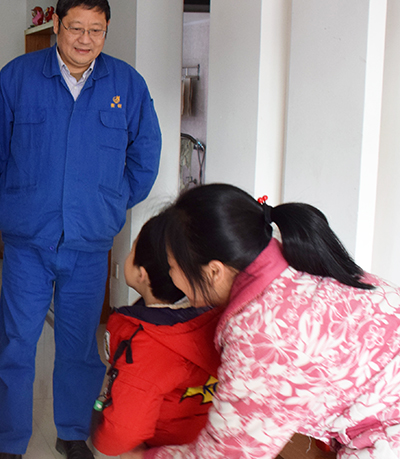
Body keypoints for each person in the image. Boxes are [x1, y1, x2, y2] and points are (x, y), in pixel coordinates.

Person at [0, 0, 162, 459]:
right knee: (17, 342)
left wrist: (111, 202)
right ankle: (9, 441)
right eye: (75, 28)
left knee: (79, 344)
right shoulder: (19, 77)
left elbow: (146, 155)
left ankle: (72, 431)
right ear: (56, 25)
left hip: (89, 242)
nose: (85, 39)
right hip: (28, 239)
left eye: (96, 30)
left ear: (106, 31)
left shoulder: (127, 84)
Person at [131, 183, 400, 459]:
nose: (171, 276)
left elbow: (229, 454)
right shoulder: (294, 261)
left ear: (214, 271)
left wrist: (140, 457)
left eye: (172, 267)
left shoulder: (263, 332)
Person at [91, 213, 221, 457]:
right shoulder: (220, 317)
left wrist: (106, 437)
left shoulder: (148, 342)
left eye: (132, 250)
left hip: (164, 450)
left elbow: (120, 434)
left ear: (142, 274)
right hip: (210, 445)